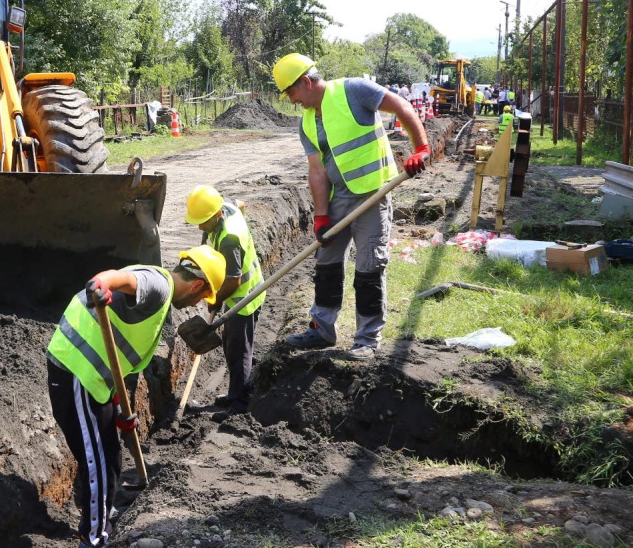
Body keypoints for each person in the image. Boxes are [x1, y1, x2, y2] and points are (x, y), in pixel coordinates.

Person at [46, 246, 225, 548]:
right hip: (76, 371)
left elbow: (121, 357)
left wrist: (118, 409)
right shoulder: (158, 285)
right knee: (97, 463)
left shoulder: (163, 298)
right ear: (197, 285)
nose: (195, 303)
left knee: (111, 457)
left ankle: (102, 514)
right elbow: (118, 278)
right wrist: (100, 286)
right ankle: (94, 538)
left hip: (98, 382)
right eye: (200, 297)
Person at [271, 53, 430, 361]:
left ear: (305, 82)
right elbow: (317, 171)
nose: (292, 101)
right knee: (326, 263)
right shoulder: (306, 122)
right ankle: (322, 330)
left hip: (373, 195)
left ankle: (367, 338)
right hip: (338, 200)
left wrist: (421, 148)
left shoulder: (354, 90)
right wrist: (320, 218)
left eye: (291, 92)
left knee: (369, 268)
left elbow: (402, 107)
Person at [184, 185, 264, 417]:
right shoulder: (226, 205)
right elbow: (240, 204)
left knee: (239, 352)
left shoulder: (230, 239)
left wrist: (216, 300)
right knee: (231, 345)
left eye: (204, 221)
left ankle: (240, 405)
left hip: (244, 298)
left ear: (217, 214)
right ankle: (234, 393)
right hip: (241, 294)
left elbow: (234, 281)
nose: (200, 226)